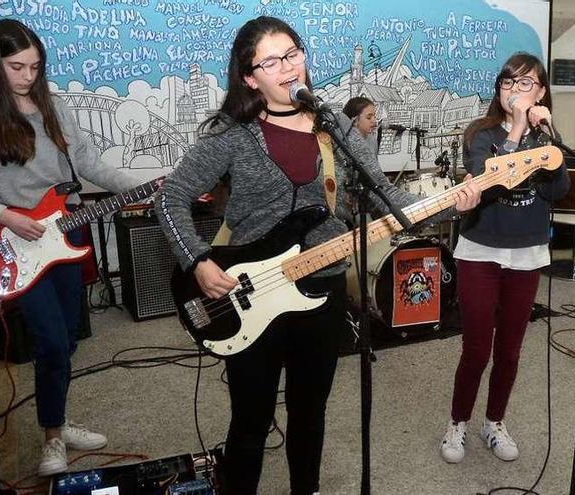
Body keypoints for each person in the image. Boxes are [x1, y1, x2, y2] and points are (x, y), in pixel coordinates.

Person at [154, 16, 481, 494]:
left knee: (310, 415)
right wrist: (199, 260)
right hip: (251, 294)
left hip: (323, 290)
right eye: (272, 61)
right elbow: (170, 198)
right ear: (250, 76)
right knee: (251, 421)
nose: (288, 67)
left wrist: (454, 199)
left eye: (293, 54)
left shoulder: (335, 126)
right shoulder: (232, 133)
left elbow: (391, 199)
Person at [0, 19, 142, 476]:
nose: (28, 77)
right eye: (16, 66)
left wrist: (144, 186)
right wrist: (3, 216)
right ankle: (52, 440)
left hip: (66, 233)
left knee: (67, 339)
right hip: (11, 242)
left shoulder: (54, 108)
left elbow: (88, 164)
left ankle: (57, 418)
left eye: (35, 67)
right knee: (49, 340)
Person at [439, 52, 569, 464]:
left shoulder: (546, 137)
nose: (515, 90)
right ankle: (457, 422)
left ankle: (494, 422)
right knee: (477, 347)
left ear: (542, 92)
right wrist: (515, 129)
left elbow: (558, 190)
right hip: (480, 251)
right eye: (508, 82)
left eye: (526, 83)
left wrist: (544, 135)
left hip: (527, 253)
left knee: (510, 350)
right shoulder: (481, 133)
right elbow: (488, 183)